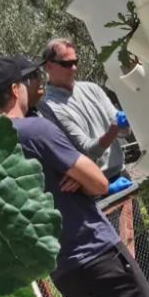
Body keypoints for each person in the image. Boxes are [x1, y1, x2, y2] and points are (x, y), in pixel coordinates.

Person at [0, 55, 149, 297]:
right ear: (14, 89)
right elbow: (99, 182)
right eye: (28, 79)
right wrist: (81, 179)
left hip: (64, 270)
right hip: (98, 253)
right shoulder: (34, 131)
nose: (35, 82)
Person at [37, 37, 132, 188]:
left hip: (122, 173)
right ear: (49, 65)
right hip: (96, 187)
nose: (73, 68)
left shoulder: (91, 89)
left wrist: (125, 125)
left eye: (75, 62)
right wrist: (114, 128)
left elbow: (123, 132)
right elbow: (88, 151)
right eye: (66, 63)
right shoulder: (52, 109)